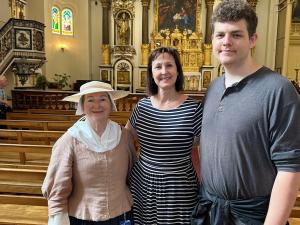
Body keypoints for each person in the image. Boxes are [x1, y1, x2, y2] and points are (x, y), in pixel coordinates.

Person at [192, 1, 300, 225]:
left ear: (253, 39)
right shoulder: (213, 88)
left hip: (252, 217)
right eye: (220, 35)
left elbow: (290, 168)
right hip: (212, 211)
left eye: (236, 35)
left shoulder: (278, 90)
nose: (226, 42)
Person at [42, 81, 137, 225]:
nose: (97, 105)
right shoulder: (69, 140)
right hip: (82, 218)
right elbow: (57, 186)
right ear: (82, 105)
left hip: (122, 215)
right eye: (90, 100)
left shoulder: (124, 136)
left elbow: (133, 174)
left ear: (111, 104)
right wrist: (58, 217)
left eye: (103, 99)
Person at [126, 47, 202, 224]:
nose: (164, 71)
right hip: (144, 183)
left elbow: (203, 147)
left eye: (169, 65)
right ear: (151, 73)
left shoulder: (193, 108)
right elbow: (127, 137)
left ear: (178, 71)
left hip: (180, 187)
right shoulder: (142, 106)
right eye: (158, 67)